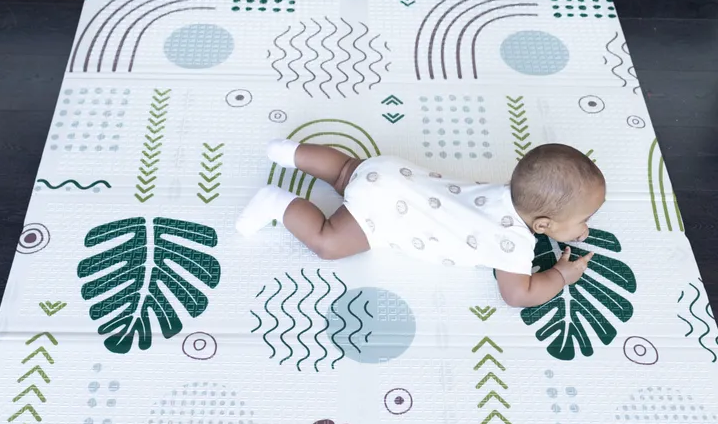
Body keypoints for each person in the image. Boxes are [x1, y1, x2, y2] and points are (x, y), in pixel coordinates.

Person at [236, 141, 605, 308]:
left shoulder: (510, 191)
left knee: (346, 171)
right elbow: (518, 296)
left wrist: (568, 223)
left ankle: (293, 152)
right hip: (383, 214)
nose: (585, 230)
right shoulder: (514, 246)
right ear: (542, 225)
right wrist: (559, 276)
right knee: (328, 243)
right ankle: (277, 203)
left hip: (393, 172)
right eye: (582, 221)